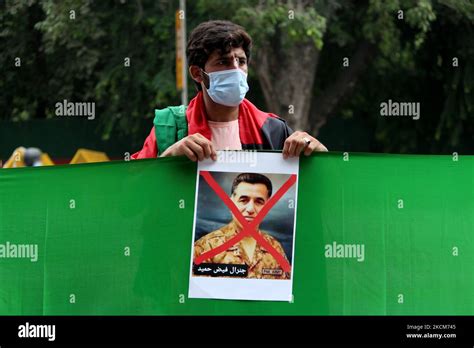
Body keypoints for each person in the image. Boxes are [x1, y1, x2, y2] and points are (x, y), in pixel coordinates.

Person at [131, 20, 327, 161]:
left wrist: (319, 155)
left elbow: (313, 189)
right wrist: (169, 158)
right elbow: (132, 189)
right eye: (223, 62)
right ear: (197, 73)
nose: (235, 70)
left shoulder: (273, 130)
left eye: (241, 61)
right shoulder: (171, 127)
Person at [193, 173, 291, 279]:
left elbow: (284, 291)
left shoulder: (275, 248)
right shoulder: (205, 247)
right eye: (243, 200)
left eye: (259, 202)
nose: (250, 209)